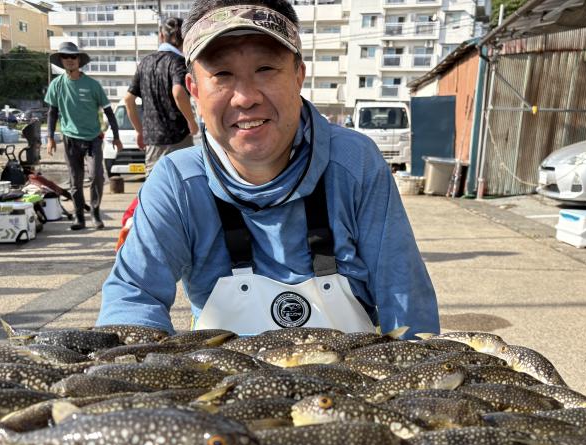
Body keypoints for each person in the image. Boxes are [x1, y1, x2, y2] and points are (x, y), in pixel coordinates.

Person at [96, 0, 439, 337]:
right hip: (220, 387)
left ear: (298, 74)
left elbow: (403, 294)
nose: (246, 97)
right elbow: (133, 298)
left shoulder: (355, 162)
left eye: (266, 69)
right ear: (194, 90)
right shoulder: (176, 181)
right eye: (222, 74)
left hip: (350, 384)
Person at [45, 42, 122, 230]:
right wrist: (50, 138)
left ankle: (95, 212)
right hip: (70, 138)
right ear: (61, 60)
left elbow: (109, 111)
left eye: (73, 57)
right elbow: (52, 112)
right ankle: (79, 216)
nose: (69, 60)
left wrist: (116, 136)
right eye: (65, 57)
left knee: (96, 175)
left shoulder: (92, 85)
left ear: (79, 60)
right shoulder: (56, 85)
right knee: (75, 179)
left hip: (93, 139)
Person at [124, 16, 199, 175]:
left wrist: (140, 131)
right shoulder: (178, 62)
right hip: (178, 137)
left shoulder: (145, 62)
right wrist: (191, 121)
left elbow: (128, 99)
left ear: (161, 35)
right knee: (184, 183)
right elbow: (178, 92)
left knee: (155, 189)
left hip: (153, 140)